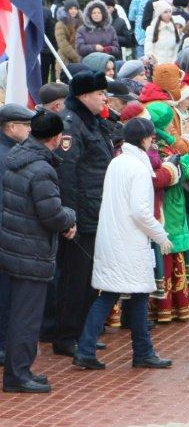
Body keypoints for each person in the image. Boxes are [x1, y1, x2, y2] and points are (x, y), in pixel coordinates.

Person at [73, 118, 173, 371]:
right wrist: (162, 236)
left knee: (112, 295)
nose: (153, 142)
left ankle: (94, 349)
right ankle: (140, 352)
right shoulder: (138, 168)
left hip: (113, 240)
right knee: (133, 296)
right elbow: (140, 212)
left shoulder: (117, 162)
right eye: (151, 137)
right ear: (144, 139)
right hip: (129, 242)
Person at [0, 110, 76, 393]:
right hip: (31, 250)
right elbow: (52, 215)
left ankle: (20, 369)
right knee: (26, 317)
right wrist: (69, 217)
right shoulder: (42, 169)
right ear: (56, 138)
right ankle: (18, 375)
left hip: (15, 245)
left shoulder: (16, 158)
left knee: (21, 313)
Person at [52, 71, 115, 357]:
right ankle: (66, 335)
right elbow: (67, 174)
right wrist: (71, 216)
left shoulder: (92, 120)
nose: (105, 98)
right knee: (75, 278)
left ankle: (82, 331)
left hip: (96, 209)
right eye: (101, 93)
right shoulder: (71, 123)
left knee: (89, 277)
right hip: (81, 214)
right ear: (84, 95)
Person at [0, 104, 34, 361]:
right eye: (27, 125)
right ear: (12, 127)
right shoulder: (7, 155)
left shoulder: (13, 150)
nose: (31, 130)